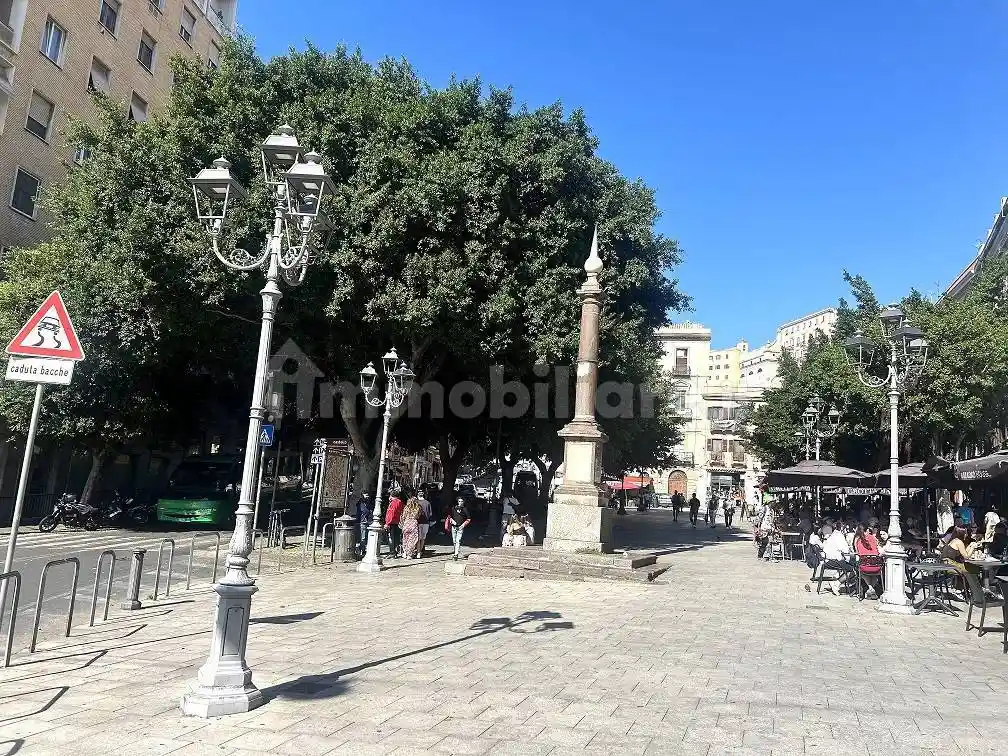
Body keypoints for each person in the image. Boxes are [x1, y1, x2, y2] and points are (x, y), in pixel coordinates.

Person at [820, 522, 855, 595]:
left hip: (827, 559)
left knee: (848, 564)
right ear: (842, 528)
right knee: (853, 569)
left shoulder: (833, 535)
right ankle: (836, 583)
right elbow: (845, 550)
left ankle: (836, 578)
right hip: (834, 561)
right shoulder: (839, 536)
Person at [853, 524, 882, 598]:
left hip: (864, 566)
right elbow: (877, 550)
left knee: (860, 569)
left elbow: (858, 553)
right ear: (868, 530)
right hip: (876, 566)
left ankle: (870, 588)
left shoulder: (858, 540)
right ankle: (871, 589)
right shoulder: (873, 538)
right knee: (875, 572)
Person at [447, 496, 471, 561]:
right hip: (453, 526)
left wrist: (463, 525)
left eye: (462, 501)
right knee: (454, 540)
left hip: (460, 527)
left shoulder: (465, 509)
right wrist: (451, 520)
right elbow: (449, 516)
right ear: (457, 502)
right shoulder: (453, 508)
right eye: (459, 501)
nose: (460, 503)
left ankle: (456, 554)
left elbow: (468, 519)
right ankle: (455, 551)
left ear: (463, 502)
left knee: (458, 540)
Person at [384, 491, 405, 557]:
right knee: (396, 538)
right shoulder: (400, 502)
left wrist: (387, 523)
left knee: (391, 537)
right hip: (397, 522)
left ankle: (392, 552)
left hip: (392, 522)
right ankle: (395, 551)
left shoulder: (393, 503)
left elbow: (391, 513)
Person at [355, 492, 374, 557]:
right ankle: (361, 550)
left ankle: (363, 549)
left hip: (367, 521)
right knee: (362, 537)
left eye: (368, 495)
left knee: (366, 537)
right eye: (366, 495)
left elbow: (369, 511)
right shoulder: (360, 504)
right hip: (362, 522)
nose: (367, 497)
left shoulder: (368, 503)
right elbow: (363, 511)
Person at [417, 489, 433, 556]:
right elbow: (430, 514)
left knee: (418, 538)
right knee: (423, 538)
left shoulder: (416, 503)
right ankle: (420, 551)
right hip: (426, 522)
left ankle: (418, 552)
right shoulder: (427, 503)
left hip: (418, 522)